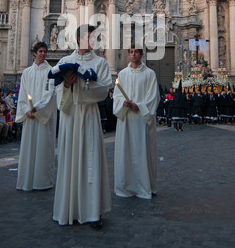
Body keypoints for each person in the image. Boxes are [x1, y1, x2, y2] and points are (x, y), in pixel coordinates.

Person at [52, 25, 112, 229]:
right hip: (70, 116)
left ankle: (93, 212)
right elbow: (57, 89)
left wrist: (85, 83)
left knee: (90, 160)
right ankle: (69, 209)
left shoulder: (101, 62)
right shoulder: (65, 62)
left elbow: (104, 89)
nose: (93, 40)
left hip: (89, 116)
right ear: (79, 39)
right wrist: (67, 85)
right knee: (69, 159)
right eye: (89, 36)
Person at [113, 46, 160, 199]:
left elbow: (153, 97)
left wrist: (139, 106)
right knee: (125, 152)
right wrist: (123, 104)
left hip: (141, 119)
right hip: (126, 118)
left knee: (142, 151)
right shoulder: (122, 74)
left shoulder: (150, 74)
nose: (133, 55)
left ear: (141, 54)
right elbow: (117, 96)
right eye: (131, 52)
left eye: (136, 52)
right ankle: (126, 185)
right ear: (128, 54)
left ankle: (143, 185)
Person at [15, 42, 57, 191]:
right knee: (28, 147)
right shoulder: (27, 72)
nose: (43, 54)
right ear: (34, 53)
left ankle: (42, 181)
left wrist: (37, 108)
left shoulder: (52, 71)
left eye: (45, 51)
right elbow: (23, 93)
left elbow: (51, 94)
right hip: (30, 116)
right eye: (40, 51)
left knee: (44, 148)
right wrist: (26, 109)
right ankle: (27, 180)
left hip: (43, 116)